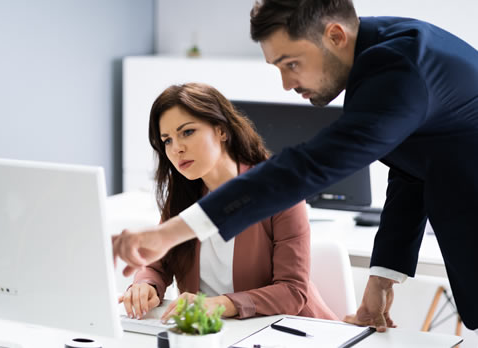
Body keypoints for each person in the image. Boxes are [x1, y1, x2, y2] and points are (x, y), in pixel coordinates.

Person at [113, 0, 478, 331]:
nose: (287, 84)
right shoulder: (385, 57)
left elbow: (305, 168)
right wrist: (381, 280)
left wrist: (169, 233)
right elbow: (412, 171)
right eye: (278, 67)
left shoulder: (398, 66)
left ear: (335, 35)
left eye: (291, 64)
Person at [118, 82, 337, 322]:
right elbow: (157, 266)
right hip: (213, 334)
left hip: (290, 333)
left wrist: (222, 304)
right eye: (167, 140)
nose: (176, 148)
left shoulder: (280, 190)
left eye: (187, 132)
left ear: (222, 131)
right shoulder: (183, 195)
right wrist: (146, 285)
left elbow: (293, 292)